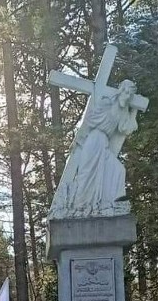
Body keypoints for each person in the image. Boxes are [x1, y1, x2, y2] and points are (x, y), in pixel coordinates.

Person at [49, 80, 139, 219]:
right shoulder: (106, 103)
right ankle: (79, 207)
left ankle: (106, 203)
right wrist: (77, 140)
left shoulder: (123, 111)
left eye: (130, 95)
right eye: (126, 92)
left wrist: (134, 110)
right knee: (86, 175)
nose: (127, 96)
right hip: (93, 140)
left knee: (118, 169)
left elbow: (125, 128)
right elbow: (89, 122)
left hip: (104, 144)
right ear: (120, 90)